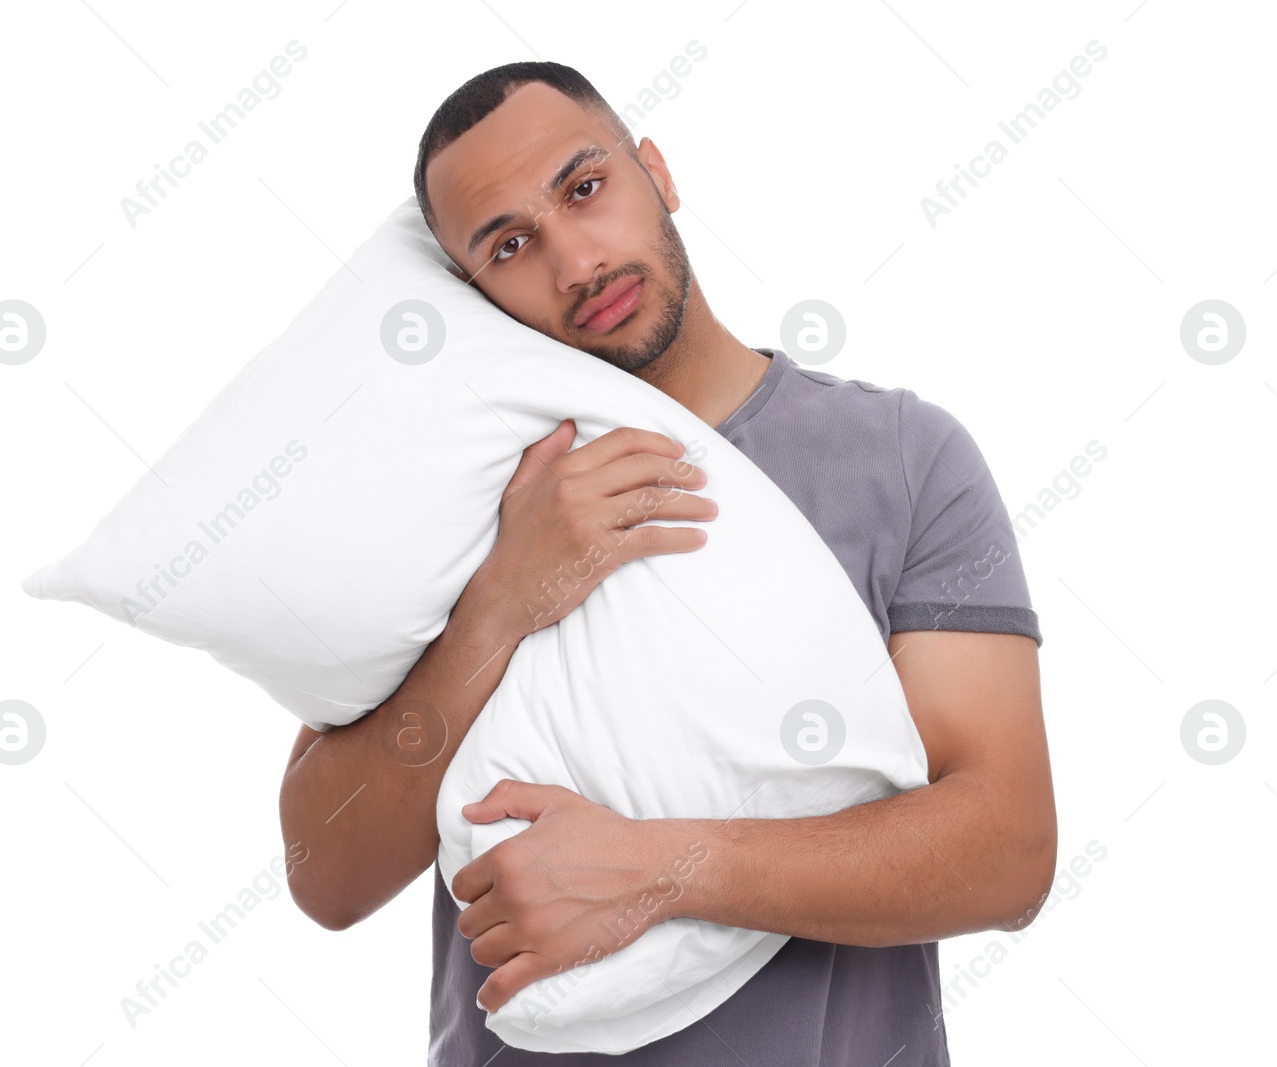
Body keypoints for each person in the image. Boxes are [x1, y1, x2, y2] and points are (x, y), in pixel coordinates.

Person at [279, 60, 1056, 1066]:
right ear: (474, 291)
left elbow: (1008, 856)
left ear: (657, 172)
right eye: (510, 244)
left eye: (583, 189)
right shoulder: (456, 491)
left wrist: (660, 868)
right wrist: (501, 603)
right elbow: (324, 873)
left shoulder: (903, 460)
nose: (573, 263)